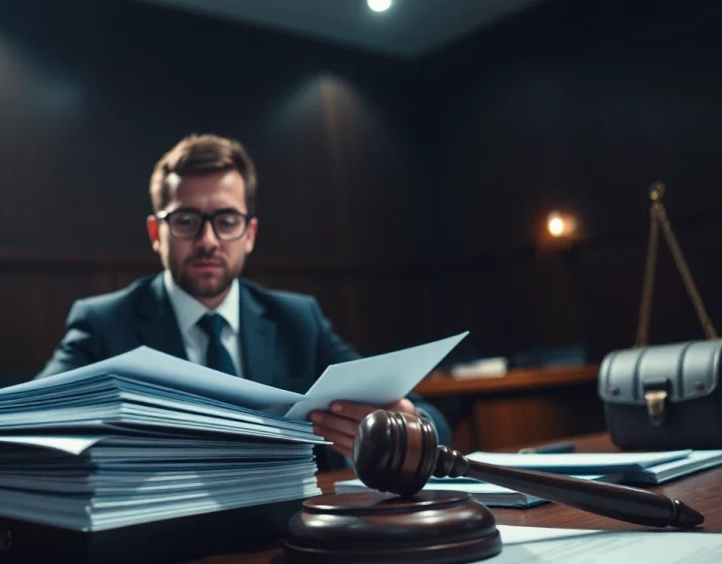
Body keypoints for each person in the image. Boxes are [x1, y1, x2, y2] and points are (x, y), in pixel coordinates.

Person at [38, 133, 451, 470]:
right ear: (155, 234)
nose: (208, 241)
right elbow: (25, 422)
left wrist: (407, 426)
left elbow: (432, 424)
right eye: (186, 221)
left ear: (249, 234)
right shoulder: (104, 324)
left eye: (226, 221)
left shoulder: (298, 321)